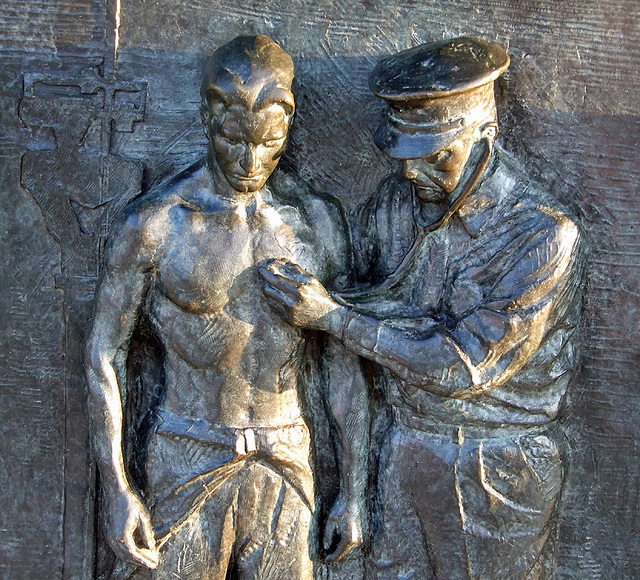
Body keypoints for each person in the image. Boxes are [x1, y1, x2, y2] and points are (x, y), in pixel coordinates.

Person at [260, 36, 585, 579]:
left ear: (486, 136)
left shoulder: (541, 236)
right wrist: (355, 491)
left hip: (495, 467)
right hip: (404, 445)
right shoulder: (393, 206)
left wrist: (336, 318)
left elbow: (461, 364)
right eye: (404, 157)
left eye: (436, 158)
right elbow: (351, 336)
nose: (414, 175)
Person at [85, 35, 366, 580]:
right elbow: (104, 355)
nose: (249, 160)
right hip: (188, 450)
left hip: (287, 458)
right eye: (233, 139)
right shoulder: (157, 224)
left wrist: (353, 490)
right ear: (207, 117)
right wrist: (117, 489)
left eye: (269, 142)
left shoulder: (317, 223)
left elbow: (340, 366)